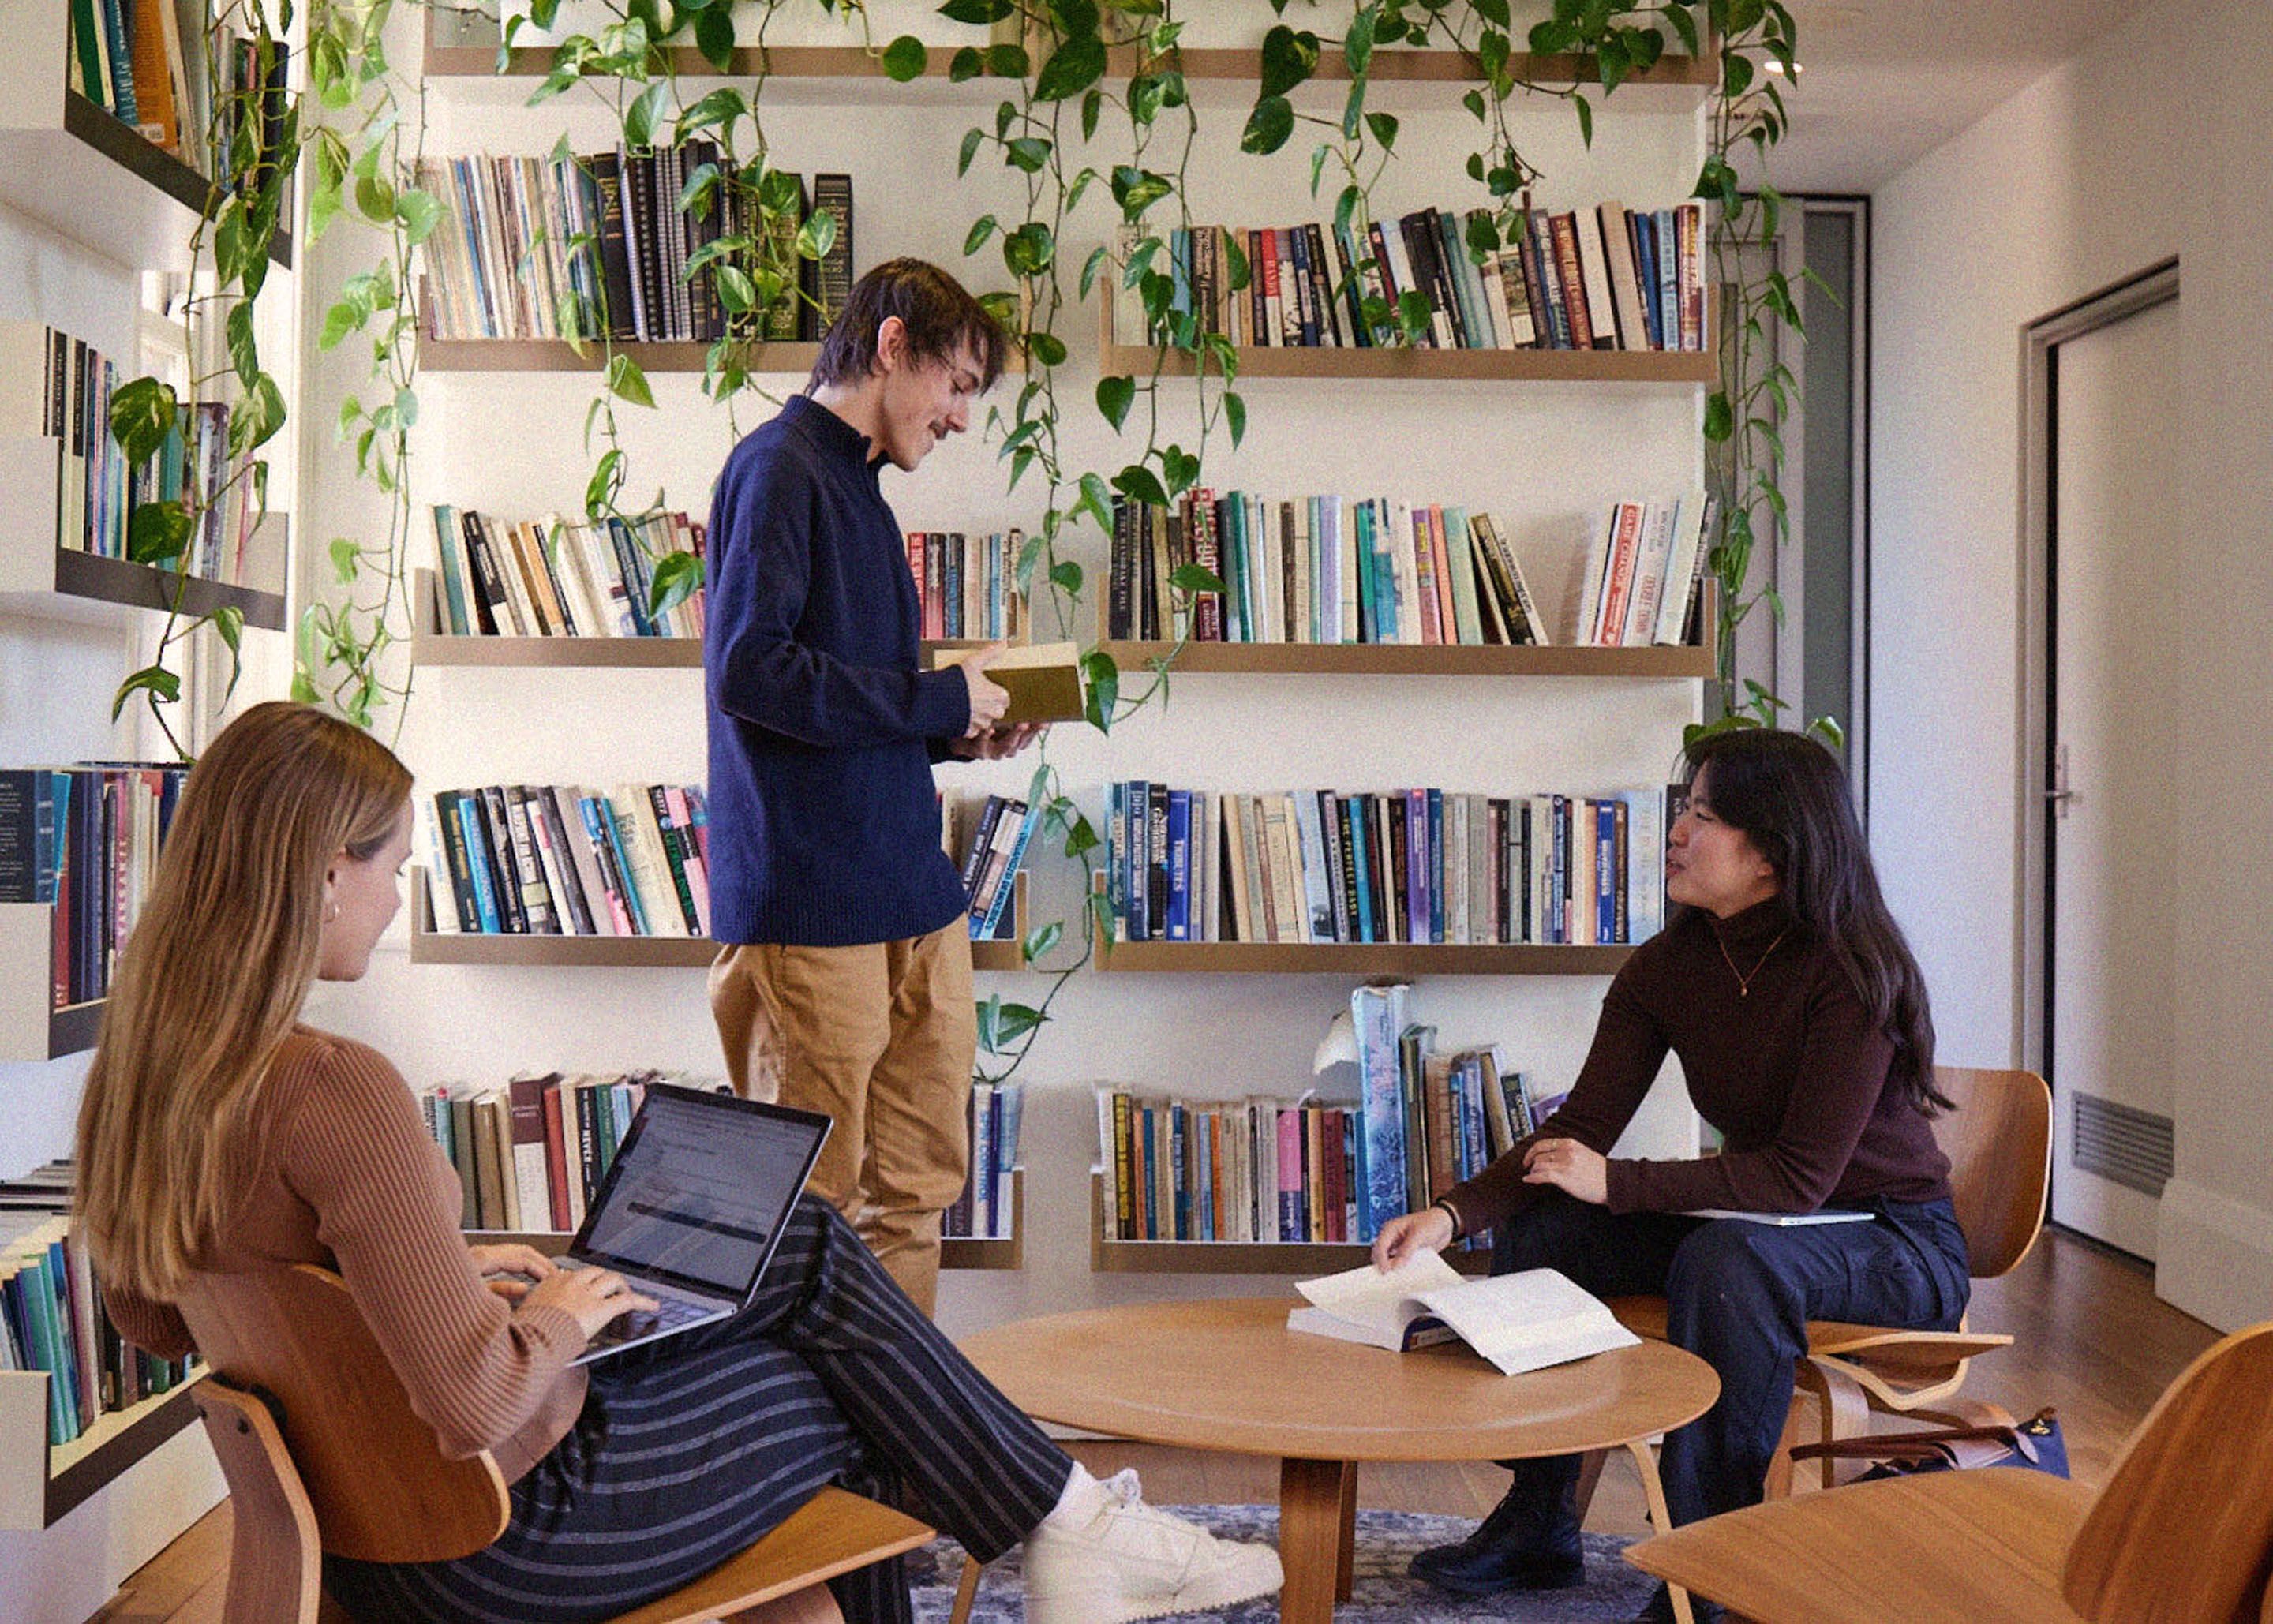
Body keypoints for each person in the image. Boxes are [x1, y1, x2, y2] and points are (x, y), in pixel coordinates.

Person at [73, 702, 1281, 1624]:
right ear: (324, 870)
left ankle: (1070, 1527)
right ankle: (1074, 1532)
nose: (396, 897)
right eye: (391, 865)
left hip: (361, 1535)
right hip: (494, 1540)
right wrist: (545, 1313)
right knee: (850, 1394)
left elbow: (158, 1320)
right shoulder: (333, 1088)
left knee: (797, 1254)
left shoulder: (144, 1072)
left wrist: (437, 1268)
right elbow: (476, 1403)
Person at [1370, 728, 1968, 1624]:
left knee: (1727, 1263)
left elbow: (1801, 1180)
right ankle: (1540, 1521)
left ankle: (1713, 1571)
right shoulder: (1673, 964)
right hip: (1767, 1227)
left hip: (1892, 1242)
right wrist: (1454, 1217)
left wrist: (1619, 1183)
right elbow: (1578, 1132)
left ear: (1773, 852)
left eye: (1702, 815)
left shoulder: (1849, 973)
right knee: (1553, 1228)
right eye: (1683, 809)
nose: (1676, 833)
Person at [703, 257, 1043, 1316]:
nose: (960, 418)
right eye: (958, 385)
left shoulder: (856, 487)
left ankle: (898, 1456)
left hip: (914, 899)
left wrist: (960, 726)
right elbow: (752, 676)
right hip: (813, 910)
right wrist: (939, 700)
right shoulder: (778, 470)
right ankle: (803, 1466)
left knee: (916, 1195)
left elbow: (845, 701)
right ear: (893, 346)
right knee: (808, 1210)